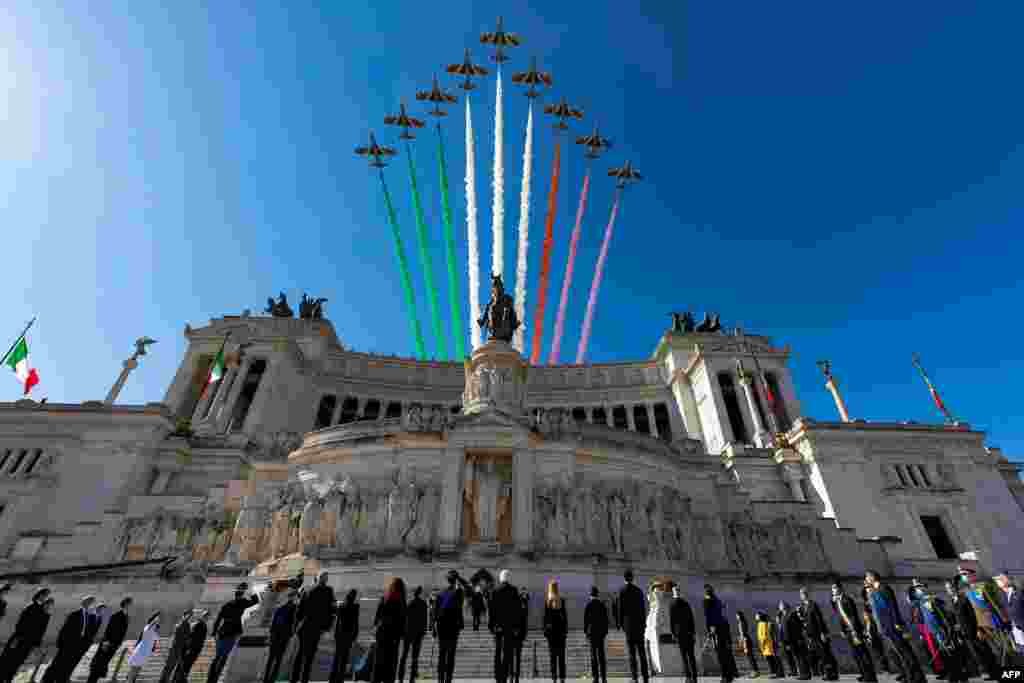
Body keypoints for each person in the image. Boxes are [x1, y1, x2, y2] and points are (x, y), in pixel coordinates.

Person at [865, 570, 926, 683]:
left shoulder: (884, 589)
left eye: (867, 578)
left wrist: (897, 623)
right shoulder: (875, 591)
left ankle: (917, 677)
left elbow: (892, 608)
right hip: (886, 628)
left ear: (872, 578)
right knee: (900, 653)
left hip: (893, 626)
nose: (866, 580)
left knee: (905, 653)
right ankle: (911, 676)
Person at [907, 580, 968, 683]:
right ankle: (955, 675)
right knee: (944, 654)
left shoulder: (933, 600)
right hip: (933, 631)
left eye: (920, 587)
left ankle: (959, 675)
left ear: (924, 588)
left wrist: (948, 628)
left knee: (950, 652)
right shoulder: (920, 602)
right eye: (916, 589)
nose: (918, 590)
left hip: (941, 630)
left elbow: (945, 614)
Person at [945, 578, 997, 680]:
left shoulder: (964, 598)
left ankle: (994, 671)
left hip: (974, 630)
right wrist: (957, 626)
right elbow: (957, 616)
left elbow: (974, 614)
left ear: (955, 587)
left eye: (951, 587)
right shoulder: (952, 601)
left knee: (985, 651)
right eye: (947, 589)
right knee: (976, 653)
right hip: (964, 633)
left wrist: (978, 629)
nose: (949, 590)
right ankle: (986, 671)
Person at [209, 582, 261, 683]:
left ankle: (211, 679)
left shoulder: (227, 604)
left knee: (218, 657)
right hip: (232, 633)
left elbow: (218, 619)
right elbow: (256, 601)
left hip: (222, 632)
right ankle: (215, 678)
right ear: (242, 594)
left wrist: (214, 632)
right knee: (223, 657)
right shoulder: (242, 602)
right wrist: (250, 591)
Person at [0, 588, 51, 683]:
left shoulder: (43, 611)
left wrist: (36, 644)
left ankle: (8, 678)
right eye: (44, 595)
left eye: (46, 596)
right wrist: (17, 638)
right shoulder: (31, 607)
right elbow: (20, 624)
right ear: (39, 595)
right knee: (8, 659)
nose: (45, 597)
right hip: (20, 639)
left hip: (28, 642)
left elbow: (40, 630)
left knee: (17, 662)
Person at [41, 594, 96, 683]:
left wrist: (86, 645)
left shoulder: (91, 617)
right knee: (57, 663)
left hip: (79, 646)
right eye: (88, 602)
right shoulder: (74, 614)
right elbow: (65, 629)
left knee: (69, 664)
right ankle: (47, 679)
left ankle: (62, 679)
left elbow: (90, 633)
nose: (89, 604)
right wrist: (60, 643)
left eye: (91, 602)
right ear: (83, 603)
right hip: (68, 644)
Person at [291, 572, 335, 683]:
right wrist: (328, 626)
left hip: (305, 626)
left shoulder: (307, 590)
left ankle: (294, 679)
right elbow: (331, 610)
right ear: (324, 579)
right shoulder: (328, 591)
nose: (325, 580)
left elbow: (300, 610)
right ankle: (303, 679)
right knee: (309, 656)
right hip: (315, 627)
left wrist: (295, 625)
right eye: (325, 578)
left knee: (300, 654)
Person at [830, 583, 876, 683]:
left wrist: (854, 631)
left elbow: (853, 616)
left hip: (854, 630)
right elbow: (839, 616)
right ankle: (864, 674)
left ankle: (870, 676)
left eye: (835, 588)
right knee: (856, 654)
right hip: (848, 631)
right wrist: (843, 630)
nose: (833, 590)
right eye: (832, 589)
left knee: (863, 653)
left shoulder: (847, 599)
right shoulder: (837, 601)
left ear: (840, 589)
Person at [434, 570, 469, 683]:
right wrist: (460, 579)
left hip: (441, 627)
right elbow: (469, 588)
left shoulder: (440, 594)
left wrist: (433, 627)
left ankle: (440, 679)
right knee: (450, 655)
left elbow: (435, 612)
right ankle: (448, 679)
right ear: (455, 580)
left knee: (442, 654)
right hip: (453, 627)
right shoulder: (458, 592)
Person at [86, 596, 132, 683]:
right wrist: (106, 641)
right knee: (98, 664)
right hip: (107, 644)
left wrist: (118, 643)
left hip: (114, 645)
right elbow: (109, 629)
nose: (131, 606)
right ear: (126, 604)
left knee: (102, 665)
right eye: (130, 604)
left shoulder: (126, 617)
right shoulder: (116, 615)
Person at [798, 587, 838, 680]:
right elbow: (804, 621)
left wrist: (823, 633)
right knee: (810, 656)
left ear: (807, 594)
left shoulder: (813, 605)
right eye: (801, 593)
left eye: (804, 593)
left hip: (818, 634)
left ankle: (831, 674)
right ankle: (807, 674)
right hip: (810, 636)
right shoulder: (803, 606)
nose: (802, 595)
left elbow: (819, 620)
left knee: (825, 655)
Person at [372, 577, 406, 683]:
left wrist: (376, 630)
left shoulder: (384, 598)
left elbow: (377, 618)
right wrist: (401, 635)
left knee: (378, 663)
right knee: (391, 664)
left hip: (382, 635)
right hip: (393, 637)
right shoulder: (401, 601)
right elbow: (402, 621)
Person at [618, 570, 649, 683]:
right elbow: (642, 608)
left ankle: (635, 677)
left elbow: (620, 609)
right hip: (639, 625)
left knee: (632, 653)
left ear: (624, 579)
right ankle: (645, 677)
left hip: (629, 626)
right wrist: (644, 623)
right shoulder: (639, 591)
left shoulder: (622, 591)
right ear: (632, 578)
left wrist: (621, 624)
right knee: (642, 652)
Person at [489, 570, 520, 683]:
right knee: (507, 653)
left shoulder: (495, 591)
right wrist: (517, 627)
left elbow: (491, 611)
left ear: (500, 578)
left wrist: (491, 626)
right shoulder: (514, 591)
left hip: (498, 627)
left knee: (497, 652)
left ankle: (498, 677)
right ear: (509, 578)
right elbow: (517, 611)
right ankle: (504, 676)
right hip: (510, 627)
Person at [703, 584, 738, 683]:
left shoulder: (707, 601)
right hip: (724, 628)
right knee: (726, 653)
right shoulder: (717, 600)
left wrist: (710, 630)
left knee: (720, 654)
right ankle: (731, 674)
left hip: (716, 629)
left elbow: (708, 617)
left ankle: (725, 677)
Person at [264, 591, 298, 683]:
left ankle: (266, 679)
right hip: (283, 636)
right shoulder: (294, 608)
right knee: (277, 659)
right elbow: (293, 623)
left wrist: (271, 636)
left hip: (276, 635)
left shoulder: (280, 608)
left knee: (272, 659)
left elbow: (273, 624)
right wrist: (291, 633)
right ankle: (271, 679)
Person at [398, 587, 427, 683]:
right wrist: (423, 631)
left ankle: (401, 676)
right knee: (415, 656)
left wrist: (402, 632)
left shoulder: (409, 603)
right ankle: (412, 677)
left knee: (404, 655)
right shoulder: (423, 604)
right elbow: (424, 619)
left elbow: (403, 619)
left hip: (408, 632)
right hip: (418, 633)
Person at [330, 590, 359, 683]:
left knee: (337, 657)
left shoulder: (342, 606)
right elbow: (355, 624)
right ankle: (340, 679)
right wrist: (354, 636)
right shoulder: (355, 607)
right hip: (348, 637)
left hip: (339, 635)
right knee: (344, 658)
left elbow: (337, 619)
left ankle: (333, 678)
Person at [669, 586, 696, 683]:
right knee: (691, 656)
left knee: (684, 656)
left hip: (680, 634)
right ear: (679, 592)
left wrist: (673, 633)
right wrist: (693, 632)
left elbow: (672, 620)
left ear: (673, 593)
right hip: (688, 633)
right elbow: (691, 619)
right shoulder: (686, 604)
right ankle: (694, 676)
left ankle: (688, 677)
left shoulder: (672, 604)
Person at [158, 608, 193, 683]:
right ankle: (163, 680)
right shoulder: (181, 624)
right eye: (188, 615)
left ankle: (164, 680)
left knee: (170, 667)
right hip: (174, 648)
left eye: (190, 616)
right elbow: (178, 637)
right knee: (169, 667)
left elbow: (187, 638)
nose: (189, 617)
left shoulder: (185, 625)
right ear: (184, 615)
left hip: (177, 649)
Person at [543, 580, 568, 683]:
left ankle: (554, 677)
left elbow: (545, 618)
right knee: (561, 656)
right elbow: (565, 617)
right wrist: (565, 630)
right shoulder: (561, 600)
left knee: (552, 656)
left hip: (551, 633)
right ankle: (562, 677)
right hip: (561, 632)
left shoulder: (548, 601)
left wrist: (545, 631)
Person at [994, 570, 1024, 656]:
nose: (999, 580)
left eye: (1002, 578)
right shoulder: (1002, 596)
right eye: (999, 578)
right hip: (1018, 634)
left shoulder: (1019, 592)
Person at [125, 612, 161, 683]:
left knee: (136, 671)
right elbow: (151, 625)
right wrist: (155, 619)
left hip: (145, 653)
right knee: (134, 671)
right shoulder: (147, 627)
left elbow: (154, 643)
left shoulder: (154, 632)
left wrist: (155, 648)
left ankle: (130, 680)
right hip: (140, 651)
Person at [174, 611, 208, 683]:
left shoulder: (203, 625)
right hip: (192, 648)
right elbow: (191, 636)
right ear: (202, 616)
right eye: (205, 616)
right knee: (185, 665)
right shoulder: (198, 624)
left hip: (196, 649)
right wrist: (188, 647)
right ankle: (179, 679)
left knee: (187, 665)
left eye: (207, 616)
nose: (206, 618)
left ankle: (180, 679)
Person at [584, 587, 609, 683]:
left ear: (590, 595)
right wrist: (605, 631)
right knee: (601, 656)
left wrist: (586, 632)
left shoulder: (588, 605)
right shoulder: (601, 604)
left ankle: (595, 678)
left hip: (592, 633)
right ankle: (604, 677)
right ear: (597, 594)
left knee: (593, 656)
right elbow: (605, 619)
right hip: (601, 633)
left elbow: (586, 620)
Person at [780, 601, 810, 680]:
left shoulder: (791, 615)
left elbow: (793, 629)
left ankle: (805, 674)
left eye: (781, 604)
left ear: (785, 607)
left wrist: (788, 642)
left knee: (800, 657)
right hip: (791, 640)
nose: (780, 606)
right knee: (797, 657)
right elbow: (784, 630)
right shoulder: (784, 616)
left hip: (796, 640)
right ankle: (803, 673)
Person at [755, 612, 782, 679]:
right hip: (767, 643)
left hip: (766, 644)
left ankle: (774, 672)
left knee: (770, 659)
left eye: (757, 615)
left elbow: (763, 635)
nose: (756, 616)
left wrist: (762, 644)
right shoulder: (763, 623)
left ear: (760, 616)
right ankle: (775, 672)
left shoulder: (762, 624)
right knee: (771, 659)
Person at [736, 610, 760, 678]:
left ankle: (755, 671)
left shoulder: (741, 623)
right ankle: (754, 671)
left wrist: (742, 641)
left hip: (745, 640)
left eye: (737, 615)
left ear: (739, 616)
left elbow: (743, 633)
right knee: (750, 656)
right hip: (746, 640)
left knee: (750, 656)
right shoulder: (743, 622)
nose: (736, 617)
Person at [513, 590, 529, 683]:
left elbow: (524, 624)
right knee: (516, 657)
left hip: (517, 636)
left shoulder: (519, 609)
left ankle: (514, 676)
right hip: (517, 635)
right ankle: (515, 676)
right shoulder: (521, 609)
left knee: (515, 656)